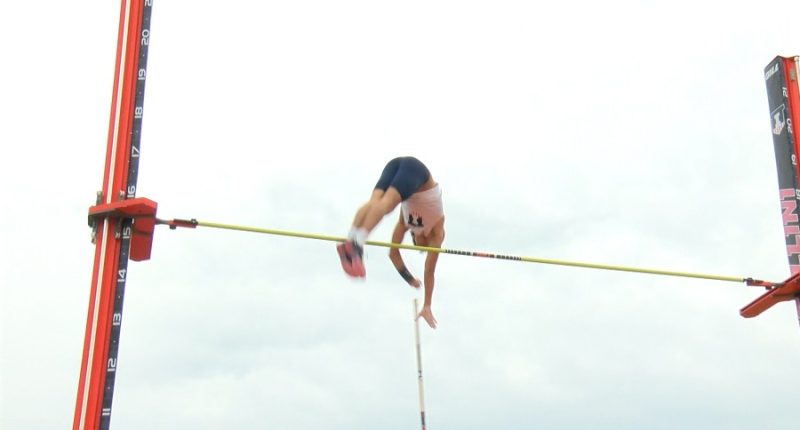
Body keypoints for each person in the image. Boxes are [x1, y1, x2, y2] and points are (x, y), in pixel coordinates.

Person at [337, 156, 445, 328]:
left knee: (375, 203)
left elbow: (393, 253)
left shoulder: (405, 225)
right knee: (386, 205)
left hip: (396, 165)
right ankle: (356, 242)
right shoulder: (436, 234)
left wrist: (410, 280)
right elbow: (429, 271)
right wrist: (428, 304)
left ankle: (352, 238)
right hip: (418, 172)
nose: (422, 246)